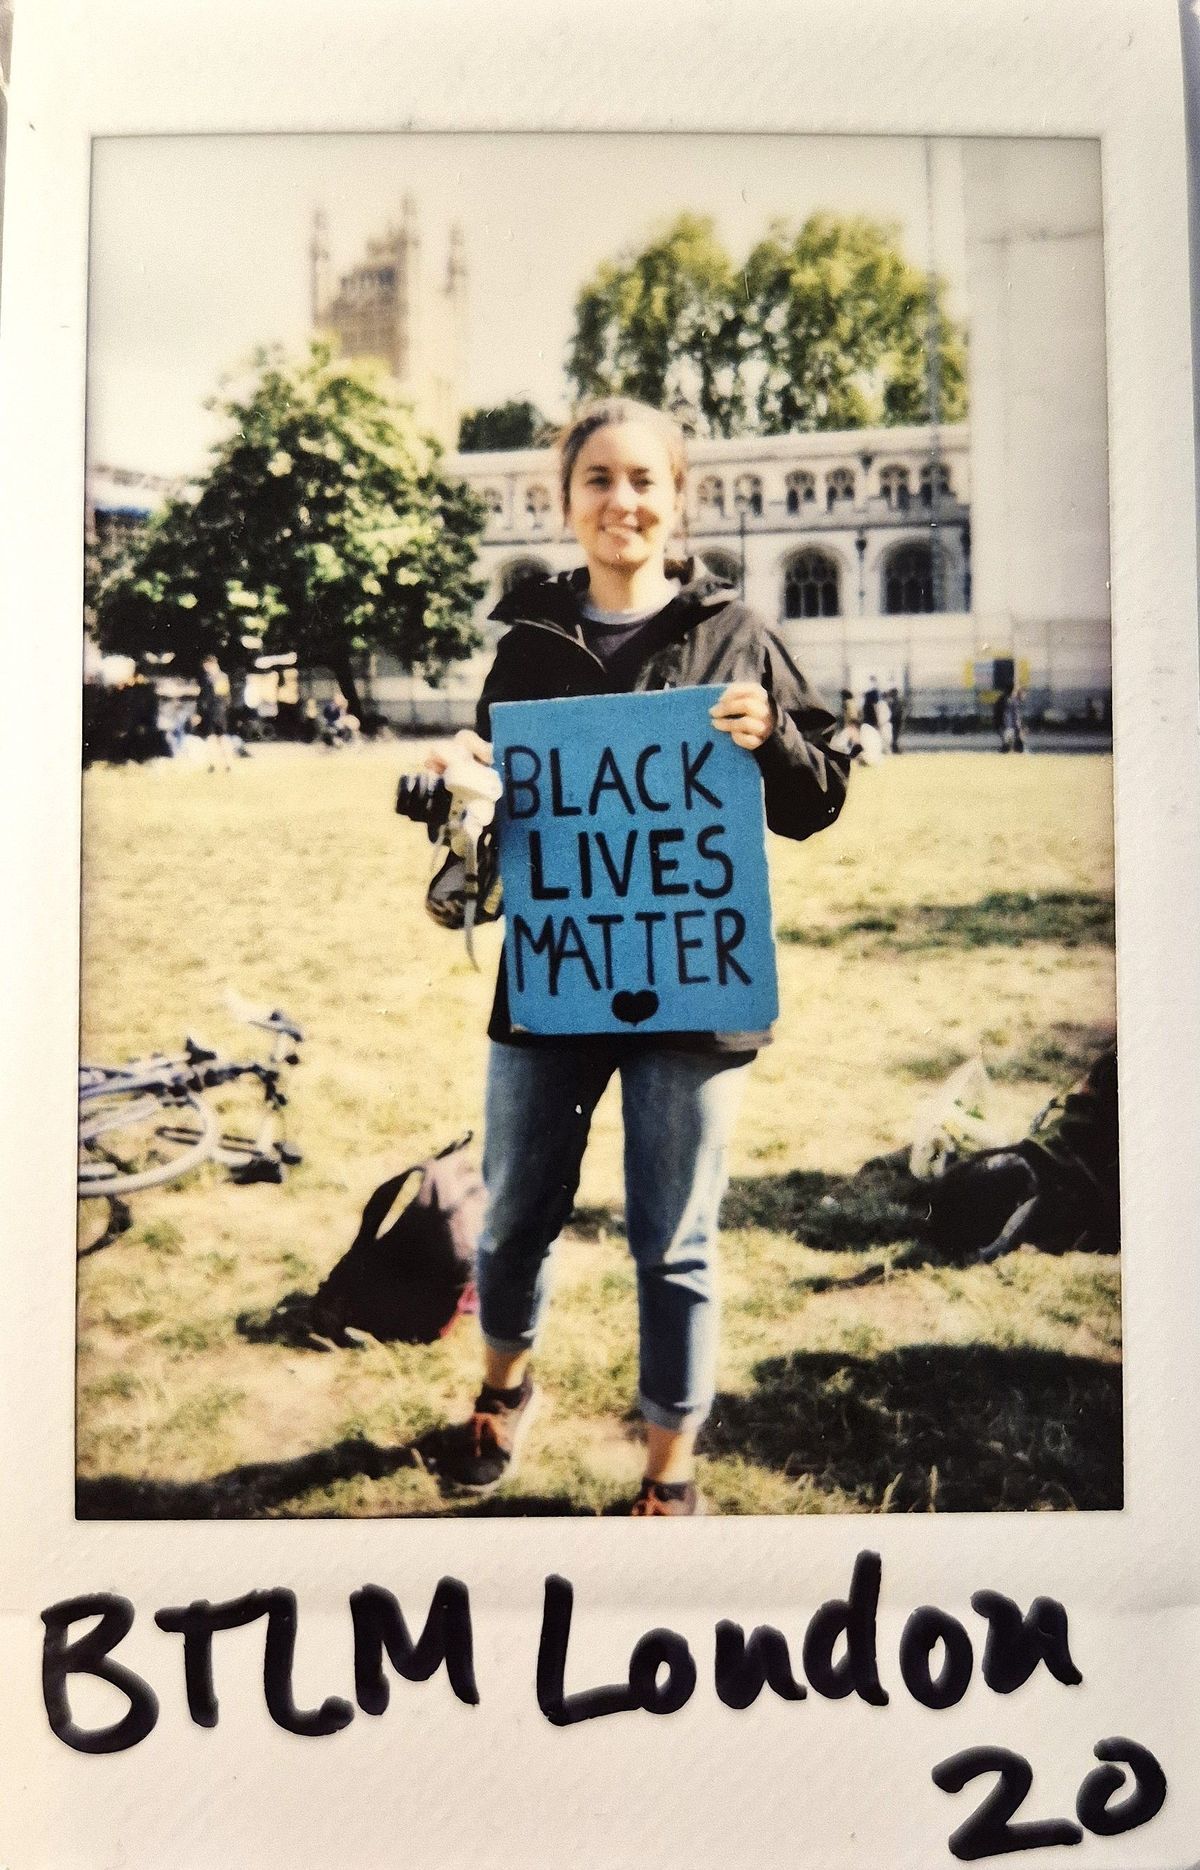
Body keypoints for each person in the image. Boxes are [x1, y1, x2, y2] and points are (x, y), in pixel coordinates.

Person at [430, 398, 851, 1515]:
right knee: (517, 1210)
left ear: (678, 497)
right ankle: (502, 1387)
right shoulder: (525, 645)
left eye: (643, 480)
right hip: (556, 975)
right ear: (563, 502)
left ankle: (670, 1471)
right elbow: (498, 823)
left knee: (674, 1239)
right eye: (599, 480)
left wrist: (779, 743)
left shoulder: (737, 632)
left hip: (694, 984)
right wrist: (463, 793)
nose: (623, 501)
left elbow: (818, 804)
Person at [195, 654, 234, 771]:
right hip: (216, 711)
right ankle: (218, 763)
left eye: (206, 666)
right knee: (216, 737)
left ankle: (223, 763)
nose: (205, 668)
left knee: (216, 737)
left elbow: (221, 696)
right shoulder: (219, 677)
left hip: (215, 712)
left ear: (212, 664)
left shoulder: (217, 678)